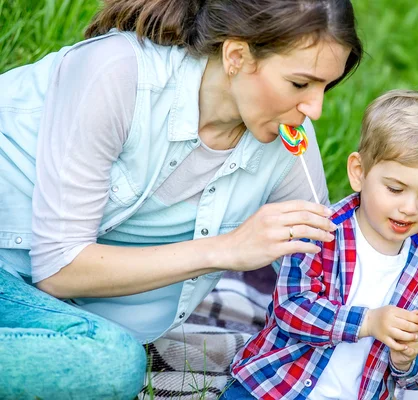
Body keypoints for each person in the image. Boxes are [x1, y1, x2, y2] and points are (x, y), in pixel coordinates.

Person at [0, 0, 363, 398]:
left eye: (325, 86)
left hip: (43, 305)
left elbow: (329, 275)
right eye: (299, 84)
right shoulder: (118, 74)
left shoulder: (289, 145)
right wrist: (225, 250)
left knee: (109, 359)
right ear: (237, 56)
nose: (315, 109)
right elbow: (59, 267)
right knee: (110, 363)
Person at [224, 89, 418, 400]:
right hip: (277, 385)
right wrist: (367, 322)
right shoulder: (321, 231)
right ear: (359, 172)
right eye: (395, 188)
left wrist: (409, 361)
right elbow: (290, 310)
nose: (409, 207)